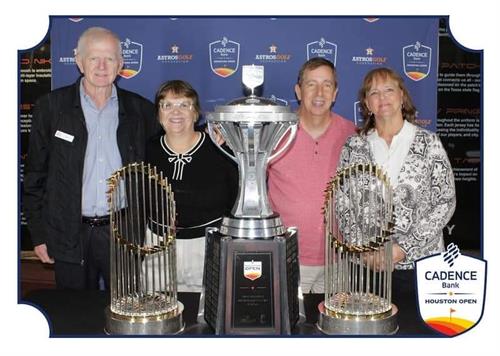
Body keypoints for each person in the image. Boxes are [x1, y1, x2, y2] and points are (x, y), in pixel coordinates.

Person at [23, 27, 159, 290]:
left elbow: (169, 151)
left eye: (109, 58)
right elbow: (34, 177)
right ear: (78, 61)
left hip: (123, 234)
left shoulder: (141, 111)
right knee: (74, 317)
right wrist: (38, 235)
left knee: (124, 312)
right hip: (68, 233)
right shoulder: (50, 107)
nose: (101, 66)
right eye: (93, 57)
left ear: (120, 64)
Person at [338, 67, 456, 332]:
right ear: (366, 104)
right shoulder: (353, 147)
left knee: (420, 337)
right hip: (366, 270)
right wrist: (365, 250)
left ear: (402, 96)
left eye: (389, 89)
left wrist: (403, 248)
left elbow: (445, 201)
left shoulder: (429, 143)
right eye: (374, 93)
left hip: (420, 268)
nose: (383, 97)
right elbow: (343, 202)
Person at [267, 57, 357, 293]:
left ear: (335, 93)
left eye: (327, 85)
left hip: (338, 262)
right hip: (286, 258)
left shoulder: (352, 135)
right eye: (311, 84)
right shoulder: (275, 132)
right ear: (298, 90)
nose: (319, 92)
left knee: (334, 329)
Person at [145, 80, 238, 292]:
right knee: (156, 309)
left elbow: (236, 200)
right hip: (157, 246)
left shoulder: (220, 149)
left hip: (205, 248)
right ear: (158, 113)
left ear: (196, 113)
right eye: (167, 105)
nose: (175, 112)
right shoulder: (147, 148)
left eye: (184, 105)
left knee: (203, 315)